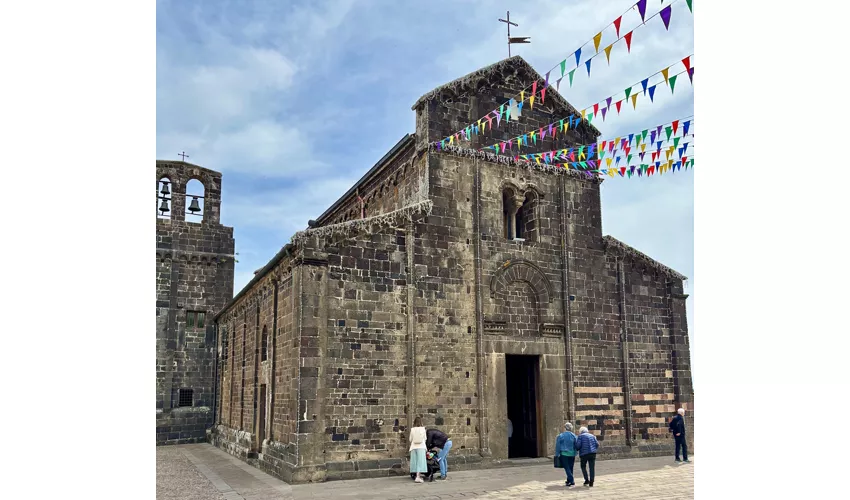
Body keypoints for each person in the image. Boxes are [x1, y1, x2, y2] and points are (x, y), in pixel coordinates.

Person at [554, 422, 578, 487]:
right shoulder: (574, 436)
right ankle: (568, 481)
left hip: (564, 454)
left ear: (565, 428)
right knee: (571, 467)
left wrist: (557, 454)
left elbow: (558, 446)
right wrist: (576, 453)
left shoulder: (561, 436)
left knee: (566, 467)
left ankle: (572, 480)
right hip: (572, 454)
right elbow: (576, 445)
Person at [409, 417, 427, 483]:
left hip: (413, 447)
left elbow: (410, 439)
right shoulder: (423, 429)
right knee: (420, 462)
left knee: (415, 462)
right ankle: (418, 477)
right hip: (421, 447)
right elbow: (425, 438)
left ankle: (416, 475)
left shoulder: (412, 429)